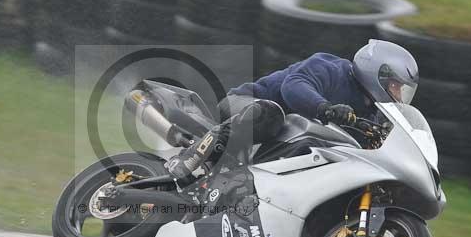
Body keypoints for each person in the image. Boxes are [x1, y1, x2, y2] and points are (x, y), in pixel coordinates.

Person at [165, 39, 419, 180]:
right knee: (271, 114)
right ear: (378, 72)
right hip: (245, 106)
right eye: (395, 87)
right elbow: (294, 86)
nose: (397, 95)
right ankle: (190, 157)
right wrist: (326, 108)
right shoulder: (332, 68)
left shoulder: (370, 115)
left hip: (280, 146)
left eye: (402, 91)